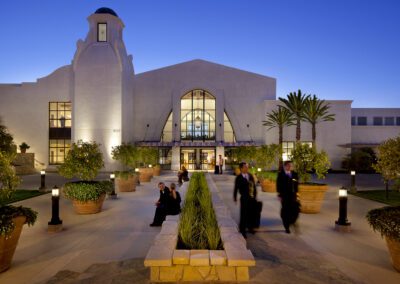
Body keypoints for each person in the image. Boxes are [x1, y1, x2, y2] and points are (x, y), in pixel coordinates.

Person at [233, 162, 257, 238]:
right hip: (244, 198)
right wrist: (235, 198)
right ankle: (242, 230)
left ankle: (250, 228)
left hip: (251, 197)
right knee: (243, 214)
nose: (247, 168)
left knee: (251, 213)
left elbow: (254, 186)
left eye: (247, 167)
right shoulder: (238, 178)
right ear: (241, 168)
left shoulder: (250, 176)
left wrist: (255, 196)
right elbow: (236, 188)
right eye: (245, 167)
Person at [277, 160, 300, 234]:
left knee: (295, 210)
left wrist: (297, 194)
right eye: (289, 165)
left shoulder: (294, 174)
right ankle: (286, 226)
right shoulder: (281, 174)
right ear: (285, 166)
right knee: (286, 211)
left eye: (291, 166)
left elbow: (296, 185)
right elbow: (278, 185)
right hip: (285, 196)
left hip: (293, 196)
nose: (290, 167)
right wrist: (280, 195)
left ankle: (292, 221)